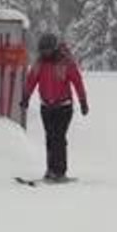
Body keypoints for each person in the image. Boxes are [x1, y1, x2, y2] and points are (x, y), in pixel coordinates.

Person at [20, 33, 89, 182]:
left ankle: (60, 171)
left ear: (55, 48)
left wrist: (83, 101)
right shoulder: (39, 63)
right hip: (46, 107)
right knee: (50, 138)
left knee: (58, 137)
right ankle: (50, 170)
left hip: (63, 107)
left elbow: (77, 82)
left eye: (47, 50)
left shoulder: (66, 63)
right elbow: (31, 81)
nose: (45, 53)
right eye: (42, 51)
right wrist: (26, 98)